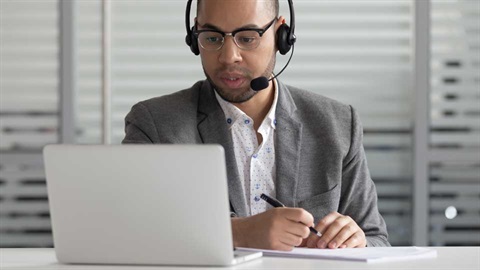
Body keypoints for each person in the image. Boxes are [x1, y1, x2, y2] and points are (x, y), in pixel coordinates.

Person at [122, 0, 390, 251]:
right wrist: (238, 233)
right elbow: (129, 232)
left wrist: (357, 241)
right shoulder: (154, 124)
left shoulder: (338, 125)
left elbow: (377, 239)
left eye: (247, 38)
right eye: (212, 38)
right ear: (194, 38)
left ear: (281, 34)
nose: (229, 57)